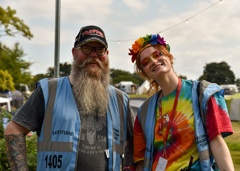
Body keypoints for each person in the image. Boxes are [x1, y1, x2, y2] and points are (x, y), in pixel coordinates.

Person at [4, 25, 136, 171]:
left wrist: (128, 167)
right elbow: (13, 130)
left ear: (107, 54)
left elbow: (134, 139)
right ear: (74, 53)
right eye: (86, 48)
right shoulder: (49, 91)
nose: (94, 54)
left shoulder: (120, 99)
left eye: (100, 49)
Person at [128, 34, 234, 171]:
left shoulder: (203, 93)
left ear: (169, 57)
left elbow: (217, 142)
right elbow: (141, 161)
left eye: (157, 55)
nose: (153, 61)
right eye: (146, 62)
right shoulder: (144, 111)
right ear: (145, 73)